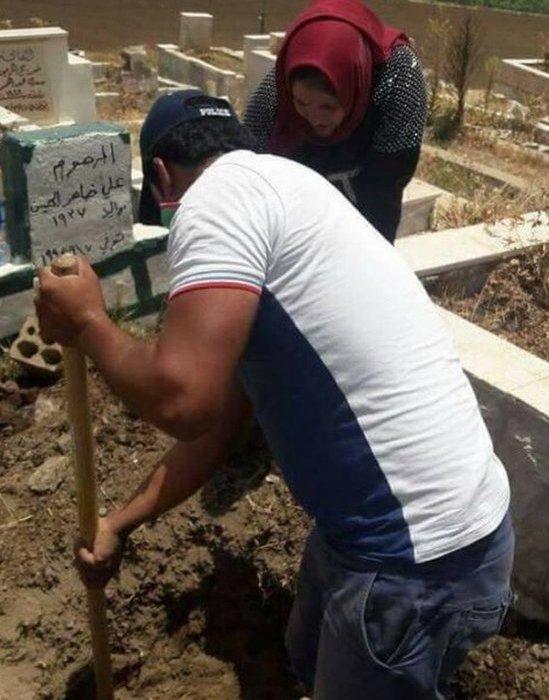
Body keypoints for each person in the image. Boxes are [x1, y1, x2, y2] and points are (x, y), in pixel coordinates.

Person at [36, 90, 513, 700]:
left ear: (160, 177)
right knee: (306, 659)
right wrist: (120, 523)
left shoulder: (215, 202)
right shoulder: (290, 189)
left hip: (409, 565)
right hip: (437, 534)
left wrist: (89, 326)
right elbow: (214, 425)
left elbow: (182, 404)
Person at [244, 0, 428, 243]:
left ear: (355, 89)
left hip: (364, 197)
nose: (314, 119)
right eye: (301, 104)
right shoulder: (275, 94)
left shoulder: (397, 78)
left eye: (328, 106)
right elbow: (250, 172)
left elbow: (384, 189)